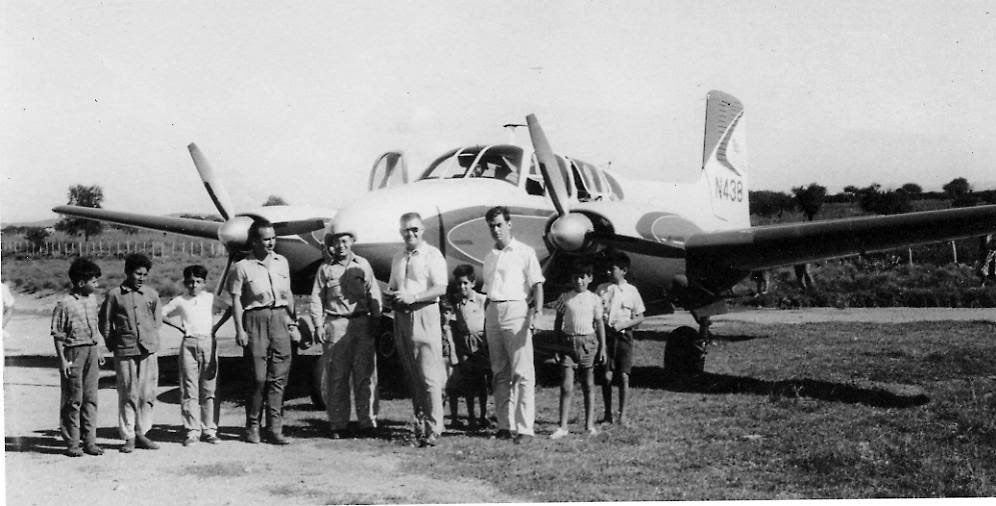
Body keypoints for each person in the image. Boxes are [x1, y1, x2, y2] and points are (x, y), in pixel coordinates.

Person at [228, 219, 297, 445]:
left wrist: (293, 323)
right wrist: (240, 329)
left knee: (279, 377)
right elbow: (236, 301)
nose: (271, 243)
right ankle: (253, 426)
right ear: (254, 241)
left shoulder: (282, 262)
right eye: (266, 239)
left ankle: (275, 428)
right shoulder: (242, 267)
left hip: (279, 319)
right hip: (255, 320)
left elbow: (288, 295)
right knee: (258, 377)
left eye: (273, 238)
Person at [309, 229, 382, 439]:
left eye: (344, 241)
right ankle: (338, 424)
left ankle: (367, 422)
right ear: (330, 246)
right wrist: (318, 325)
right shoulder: (325, 269)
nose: (340, 246)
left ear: (351, 241)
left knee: (365, 375)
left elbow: (373, 292)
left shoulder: (363, 264)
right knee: (337, 376)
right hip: (335, 324)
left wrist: (376, 319)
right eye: (336, 242)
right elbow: (316, 298)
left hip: (361, 323)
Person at [481, 206, 544, 444]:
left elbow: (537, 285)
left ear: (509, 224)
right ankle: (504, 426)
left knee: (522, 371)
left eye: (499, 224)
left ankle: (525, 428)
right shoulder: (489, 257)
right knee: (499, 372)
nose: (496, 230)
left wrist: (537, 313)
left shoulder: (525, 252)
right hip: (493, 311)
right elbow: (487, 291)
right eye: (491, 226)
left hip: (516, 309)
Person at [386, 212, 448, 447]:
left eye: (414, 229)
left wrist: (414, 297)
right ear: (400, 232)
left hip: (425, 313)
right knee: (412, 374)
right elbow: (393, 286)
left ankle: (435, 428)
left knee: (429, 375)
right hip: (402, 315)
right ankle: (420, 425)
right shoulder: (398, 257)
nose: (410, 234)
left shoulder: (432, 255)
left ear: (422, 230)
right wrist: (391, 297)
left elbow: (440, 287)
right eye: (406, 230)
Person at [99, 253, 162, 453]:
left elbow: (156, 320)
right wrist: (112, 343)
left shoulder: (151, 294)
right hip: (124, 350)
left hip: (148, 350)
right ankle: (129, 436)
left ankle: (142, 432)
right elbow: (105, 322)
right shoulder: (114, 295)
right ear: (127, 272)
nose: (141, 278)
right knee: (127, 393)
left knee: (147, 393)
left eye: (145, 274)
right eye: (137, 273)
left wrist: (149, 337)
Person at [162, 265, 227, 446]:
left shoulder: (210, 298)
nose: (194, 285)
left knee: (209, 387)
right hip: (189, 343)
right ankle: (192, 430)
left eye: (198, 281)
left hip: (208, 342)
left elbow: (229, 309)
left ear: (204, 283)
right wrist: (178, 326)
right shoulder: (180, 300)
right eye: (190, 282)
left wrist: (216, 327)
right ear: (185, 283)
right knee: (189, 387)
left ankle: (210, 430)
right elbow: (160, 313)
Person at [51, 257, 105, 457]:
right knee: (73, 400)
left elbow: (95, 328)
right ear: (81, 282)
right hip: (73, 352)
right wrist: (62, 360)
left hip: (91, 351)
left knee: (91, 398)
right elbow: (58, 335)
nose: (96, 285)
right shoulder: (64, 304)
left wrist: (98, 350)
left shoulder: (92, 300)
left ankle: (90, 442)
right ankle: (73, 443)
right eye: (94, 281)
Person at [551, 260, 605, 439]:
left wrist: (602, 347)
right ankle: (562, 426)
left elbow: (599, 324)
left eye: (583, 277)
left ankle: (589, 425)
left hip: (588, 343)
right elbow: (558, 322)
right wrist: (557, 346)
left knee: (588, 385)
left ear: (590, 278)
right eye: (575, 277)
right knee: (566, 386)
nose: (579, 281)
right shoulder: (565, 298)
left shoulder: (594, 299)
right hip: (568, 343)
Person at [595, 251, 645, 426]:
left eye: (612, 269)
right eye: (607, 269)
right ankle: (607, 414)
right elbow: (595, 312)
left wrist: (625, 324)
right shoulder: (602, 289)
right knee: (606, 376)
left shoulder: (632, 291)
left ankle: (622, 415)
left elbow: (640, 316)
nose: (608, 272)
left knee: (624, 375)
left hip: (624, 337)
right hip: (606, 337)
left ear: (624, 270)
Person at [445, 264, 490, 431]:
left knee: (482, 381)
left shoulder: (482, 300)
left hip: (481, 343)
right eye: (459, 284)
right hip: (465, 344)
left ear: (473, 283)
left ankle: (483, 416)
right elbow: (453, 323)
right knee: (468, 382)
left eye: (465, 283)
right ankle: (471, 416)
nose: (462, 287)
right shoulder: (457, 303)